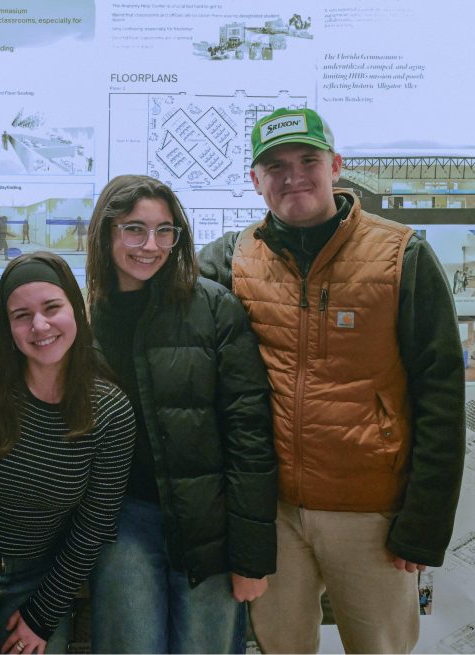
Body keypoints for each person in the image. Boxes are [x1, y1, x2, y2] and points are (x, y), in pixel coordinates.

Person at [198, 107, 465, 653]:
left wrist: (425, 522)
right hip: (272, 515)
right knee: (280, 647)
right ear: (255, 180)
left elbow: (440, 396)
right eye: (275, 166)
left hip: (370, 512)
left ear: (335, 165)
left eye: (307, 160)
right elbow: (155, 298)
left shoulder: (402, 255)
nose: (293, 175)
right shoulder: (232, 258)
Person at [84, 175, 277, 653]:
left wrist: (252, 558)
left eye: (164, 231)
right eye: (134, 229)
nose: (151, 245)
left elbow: (249, 434)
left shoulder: (214, 309)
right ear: (106, 233)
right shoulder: (83, 315)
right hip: (123, 523)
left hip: (208, 526)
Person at [0, 252, 136, 655]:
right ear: (8, 327)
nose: (39, 325)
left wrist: (43, 615)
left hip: (42, 578)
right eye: (21, 315)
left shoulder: (111, 410)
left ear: (76, 309)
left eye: (52, 308)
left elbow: (95, 523)